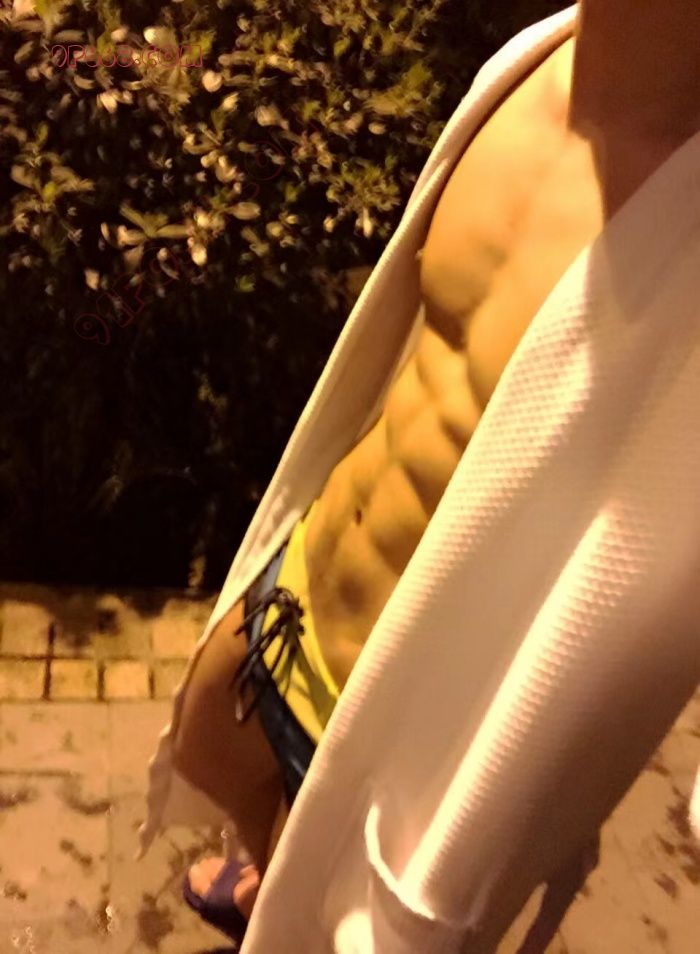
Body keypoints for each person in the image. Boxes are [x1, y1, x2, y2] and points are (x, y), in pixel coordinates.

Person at [141, 2, 700, 950]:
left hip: (403, 732)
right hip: (296, 596)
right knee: (213, 756)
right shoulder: (529, 68)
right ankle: (270, 878)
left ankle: (284, 893)